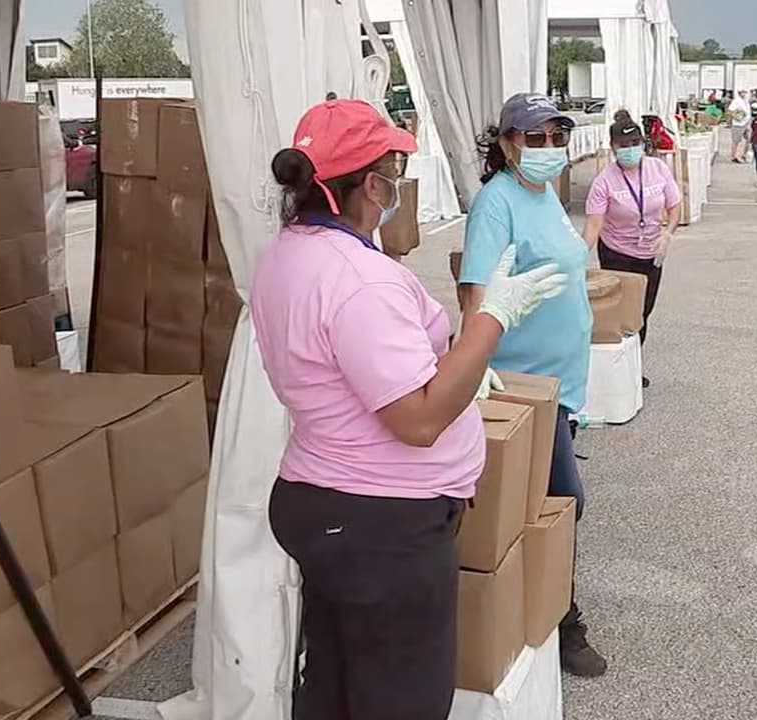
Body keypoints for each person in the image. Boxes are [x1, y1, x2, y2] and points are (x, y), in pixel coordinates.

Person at [252, 99, 566, 719]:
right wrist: (493, 319)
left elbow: (364, 374)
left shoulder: (290, 251)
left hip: (327, 501)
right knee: (401, 700)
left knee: (336, 687)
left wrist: (458, 365)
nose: (400, 188)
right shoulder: (360, 280)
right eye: (395, 172)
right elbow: (418, 422)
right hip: (379, 525)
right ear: (371, 185)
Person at [457, 92, 609, 678]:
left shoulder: (544, 195)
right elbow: (477, 291)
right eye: (534, 138)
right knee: (561, 505)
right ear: (506, 143)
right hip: (526, 386)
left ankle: (541, 606)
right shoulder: (497, 204)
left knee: (552, 503)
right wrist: (473, 358)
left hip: (562, 386)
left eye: (556, 137)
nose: (548, 149)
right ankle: (564, 621)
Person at [583, 116, 683, 384]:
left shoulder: (658, 169)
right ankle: (618, 372)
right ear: (613, 148)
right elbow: (594, 225)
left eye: (635, 142)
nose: (630, 149)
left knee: (642, 312)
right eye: (624, 144)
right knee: (619, 313)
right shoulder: (604, 181)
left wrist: (668, 232)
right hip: (617, 252)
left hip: (652, 252)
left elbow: (674, 206)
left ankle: (633, 366)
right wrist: (578, 256)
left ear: (643, 143)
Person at [729, 90, 752, 163]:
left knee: (749, 139)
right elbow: (730, 111)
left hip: (746, 123)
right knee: (737, 141)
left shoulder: (746, 101)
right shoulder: (736, 101)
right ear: (739, 93)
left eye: (745, 92)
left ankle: (744, 154)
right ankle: (734, 156)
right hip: (738, 124)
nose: (744, 94)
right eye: (742, 92)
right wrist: (738, 115)